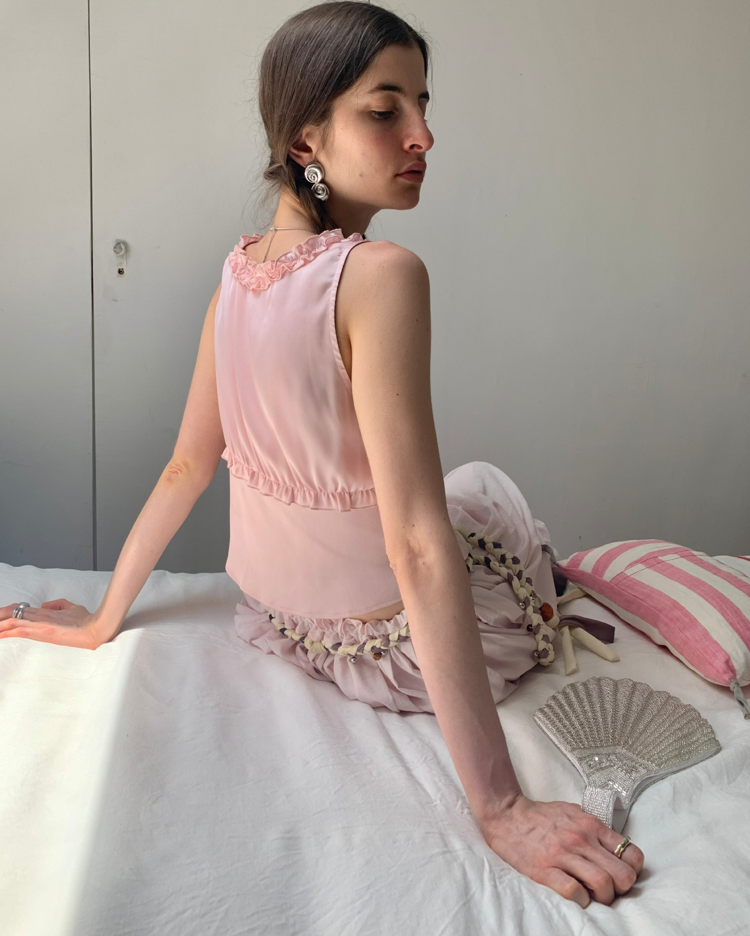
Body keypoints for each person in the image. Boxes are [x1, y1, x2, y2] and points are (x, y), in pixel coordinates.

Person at [0, 0, 643, 908]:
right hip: (389, 650)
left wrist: (108, 617)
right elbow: (416, 542)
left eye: (422, 104)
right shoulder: (383, 275)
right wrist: (501, 807)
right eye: (385, 110)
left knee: (463, 496)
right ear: (306, 137)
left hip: (284, 625)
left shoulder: (237, 274)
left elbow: (187, 466)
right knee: (483, 499)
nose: (423, 135)